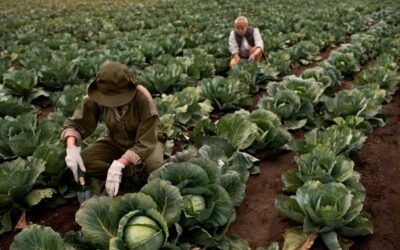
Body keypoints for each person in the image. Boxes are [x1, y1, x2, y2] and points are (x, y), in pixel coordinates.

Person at [61, 61, 164, 197]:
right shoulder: (96, 96)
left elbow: (147, 140)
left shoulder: (143, 99)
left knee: (154, 168)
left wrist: (121, 162)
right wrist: (71, 147)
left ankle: (129, 168)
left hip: (144, 144)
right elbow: (76, 123)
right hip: (115, 140)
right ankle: (128, 172)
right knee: (83, 162)